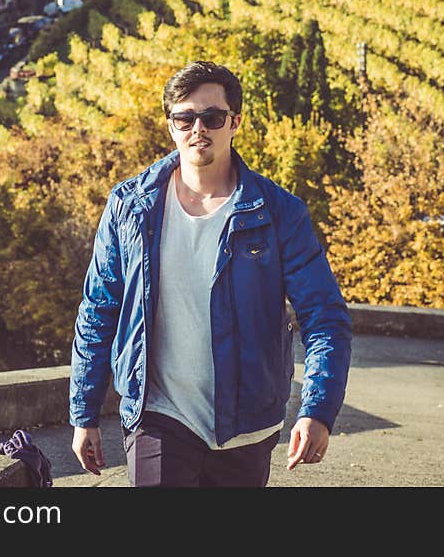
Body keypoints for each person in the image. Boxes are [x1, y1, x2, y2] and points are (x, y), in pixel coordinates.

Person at [69, 61, 352, 487]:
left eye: (212, 117)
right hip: (157, 413)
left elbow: (325, 318)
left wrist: (317, 410)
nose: (197, 128)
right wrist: (84, 413)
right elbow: (98, 309)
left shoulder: (279, 213)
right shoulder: (130, 206)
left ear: (234, 122)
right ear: (170, 126)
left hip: (248, 424)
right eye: (185, 118)